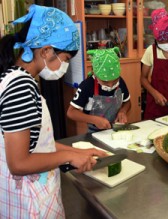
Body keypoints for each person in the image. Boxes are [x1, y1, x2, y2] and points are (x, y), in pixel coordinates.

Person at [0, 5, 107, 218]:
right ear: (46, 50)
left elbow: (39, 141)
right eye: (66, 59)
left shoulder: (15, 78)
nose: (65, 65)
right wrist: (67, 156)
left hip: (32, 196)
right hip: (29, 204)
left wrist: (79, 153)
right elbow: (18, 163)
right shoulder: (21, 88)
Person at [67, 47, 131, 132]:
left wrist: (123, 111)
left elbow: (127, 102)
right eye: (105, 82)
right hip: (93, 131)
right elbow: (71, 112)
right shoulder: (87, 86)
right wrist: (93, 119)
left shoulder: (121, 82)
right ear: (95, 73)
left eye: (115, 80)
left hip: (115, 127)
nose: (110, 85)